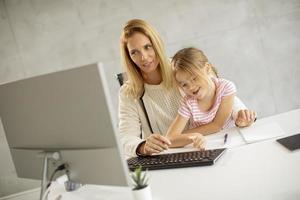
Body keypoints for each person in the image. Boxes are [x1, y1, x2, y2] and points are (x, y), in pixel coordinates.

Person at [119, 19, 256, 157]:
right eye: (134, 52)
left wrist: (239, 113)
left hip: (203, 146)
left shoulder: (182, 69)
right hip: (166, 155)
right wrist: (142, 146)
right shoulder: (128, 92)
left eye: (147, 47)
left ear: (157, 44)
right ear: (129, 57)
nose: (143, 57)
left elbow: (218, 92)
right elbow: (126, 138)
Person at [166, 47, 256, 149]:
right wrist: (192, 138)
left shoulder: (225, 87)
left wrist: (185, 135)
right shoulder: (188, 102)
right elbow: (169, 139)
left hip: (232, 144)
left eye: (194, 78)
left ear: (207, 68)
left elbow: (217, 125)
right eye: (184, 85)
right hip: (206, 149)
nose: (191, 87)